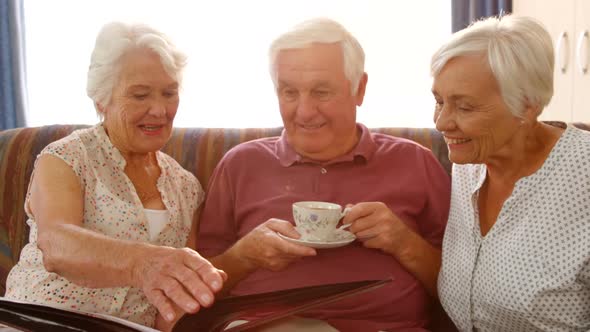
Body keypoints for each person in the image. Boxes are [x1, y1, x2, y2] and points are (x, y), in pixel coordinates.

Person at [197, 18, 451, 331]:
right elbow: (198, 287)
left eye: (321, 92)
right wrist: (244, 256)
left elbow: (464, 288)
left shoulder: (415, 162)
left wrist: (405, 243)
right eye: (289, 92)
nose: (304, 112)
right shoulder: (240, 164)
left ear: (359, 89)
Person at [4, 22, 226, 329]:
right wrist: (142, 264)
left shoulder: (186, 187)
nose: (160, 110)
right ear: (101, 100)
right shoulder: (67, 157)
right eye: (140, 95)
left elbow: (172, 302)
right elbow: (56, 244)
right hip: (40, 320)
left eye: (169, 93)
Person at [432, 15, 590, 331]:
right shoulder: (470, 160)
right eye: (438, 101)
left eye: (465, 107)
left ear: (527, 105)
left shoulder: (583, 174)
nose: (441, 123)